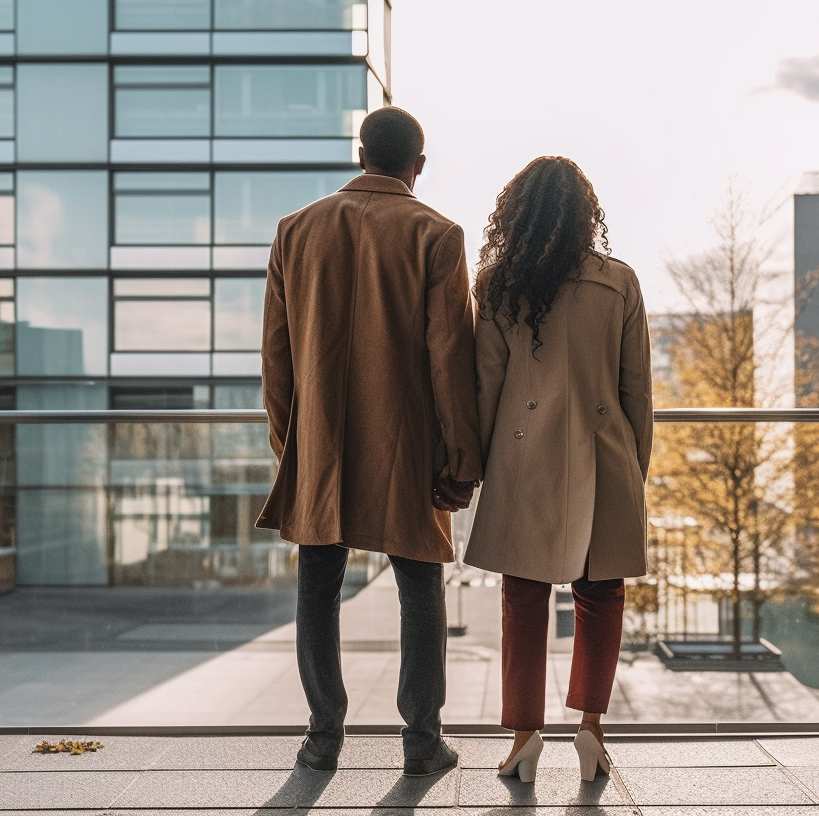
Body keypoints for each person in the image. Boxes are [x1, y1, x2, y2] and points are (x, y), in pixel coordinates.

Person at [257, 106, 482, 777]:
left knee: (317, 585)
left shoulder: (295, 231)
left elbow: (276, 354)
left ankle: (322, 738)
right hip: (406, 446)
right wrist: (460, 460)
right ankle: (422, 741)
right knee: (420, 585)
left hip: (320, 441)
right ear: (418, 165)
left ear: (361, 154)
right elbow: (452, 358)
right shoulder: (437, 233)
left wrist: (289, 447)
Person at [464, 157, 653, 784]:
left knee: (523, 595)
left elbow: (484, 388)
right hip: (607, 455)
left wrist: (483, 468)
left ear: (515, 212)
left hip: (523, 454)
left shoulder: (495, 285)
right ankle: (592, 732)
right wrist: (635, 473)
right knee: (601, 595)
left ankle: (524, 736)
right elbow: (637, 393)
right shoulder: (619, 282)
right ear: (586, 213)